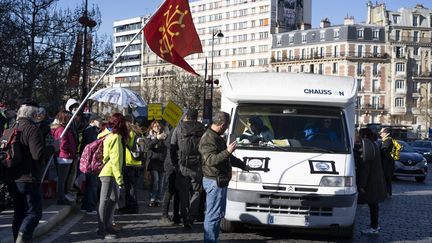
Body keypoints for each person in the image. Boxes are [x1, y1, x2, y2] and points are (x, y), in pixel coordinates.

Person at [3, 100, 56, 242]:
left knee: (19, 213)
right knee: (34, 213)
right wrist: (53, 148)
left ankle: (18, 239)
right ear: (32, 114)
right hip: (29, 177)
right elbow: (38, 154)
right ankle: (23, 237)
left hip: (12, 177)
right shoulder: (32, 129)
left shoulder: (10, 128)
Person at [198, 111, 250, 243]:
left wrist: (242, 165)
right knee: (213, 215)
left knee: (217, 214)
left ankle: (212, 239)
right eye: (226, 126)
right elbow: (211, 160)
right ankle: (210, 240)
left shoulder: (216, 136)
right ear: (221, 125)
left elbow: (227, 157)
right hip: (214, 181)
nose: (226, 129)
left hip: (219, 181)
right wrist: (227, 151)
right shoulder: (208, 138)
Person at [170, 108, 205, 229]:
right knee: (197, 192)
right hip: (198, 165)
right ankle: (192, 217)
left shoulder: (179, 128)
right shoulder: (202, 128)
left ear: (186, 116)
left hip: (182, 165)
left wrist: (175, 163)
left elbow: (172, 147)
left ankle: (184, 218)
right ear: (196, 116)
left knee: (183, 193)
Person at [97, 113, 128, 240]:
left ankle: (108, 225)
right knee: (104, 201)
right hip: (109, 173)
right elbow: (115, 160)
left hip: (110, 172)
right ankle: (102, 229)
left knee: (114, 198)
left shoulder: (111, 135)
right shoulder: (115, 137)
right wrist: (120, 180)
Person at [355, 128, 387, 234]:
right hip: (375, 179)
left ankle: (374, 227)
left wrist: (362, 185)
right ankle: (374, 225)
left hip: (371, 181)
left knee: (373, 205)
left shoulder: (368, 146)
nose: (357, 136)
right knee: (373, 204)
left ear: (364, 136)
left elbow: (365, 167)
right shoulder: (373, 144)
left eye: (359, 135)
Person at [51, 110, 78, 205]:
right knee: (62, 179)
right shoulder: (62, 130)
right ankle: (61, 198)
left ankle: (63, 196)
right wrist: (70, 151)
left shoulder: (66, 128)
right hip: (64, 157)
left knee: (64, 178)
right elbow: (62, 144)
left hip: (67, 156)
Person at [118, 116, 143, 214]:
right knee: (132, 186)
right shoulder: (138, 131)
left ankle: (132, 207)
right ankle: (130, 205)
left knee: (130, 187)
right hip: (137, 162)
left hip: (129, 162)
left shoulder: (130, 132)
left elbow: (125, 143)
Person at [80, 114, 102, 214]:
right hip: (90, 161)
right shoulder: (90, 131)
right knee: (92, 184)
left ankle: (86, 205)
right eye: (99, 120)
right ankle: (89, 206)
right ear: (93, 121)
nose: (101, 122)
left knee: (91, 184)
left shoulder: (93, 130)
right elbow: (91, 146)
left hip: (90, 161)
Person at [146, 120, 168, 207]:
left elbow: (167, 146)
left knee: (161, 183)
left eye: (158, 126)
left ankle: (159, 199)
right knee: (155, 181)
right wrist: (157, 138)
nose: (157, 127)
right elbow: (148, 146)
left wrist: (163, 138)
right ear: (152, 128)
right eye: (155, 126)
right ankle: (152, 198)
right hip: (153, 162)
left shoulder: (165, 135)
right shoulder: (149, 136)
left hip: (162, 162)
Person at [379, 127, 395, 198]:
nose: (380, 134)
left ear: (387, 133)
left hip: (387, 165)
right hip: (387, 165)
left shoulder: (388, 141)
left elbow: (384, 154)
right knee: (386, 180)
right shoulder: (386, 140)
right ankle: (387, 193)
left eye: (381, 132)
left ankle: (387, 194)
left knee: (386, 179)